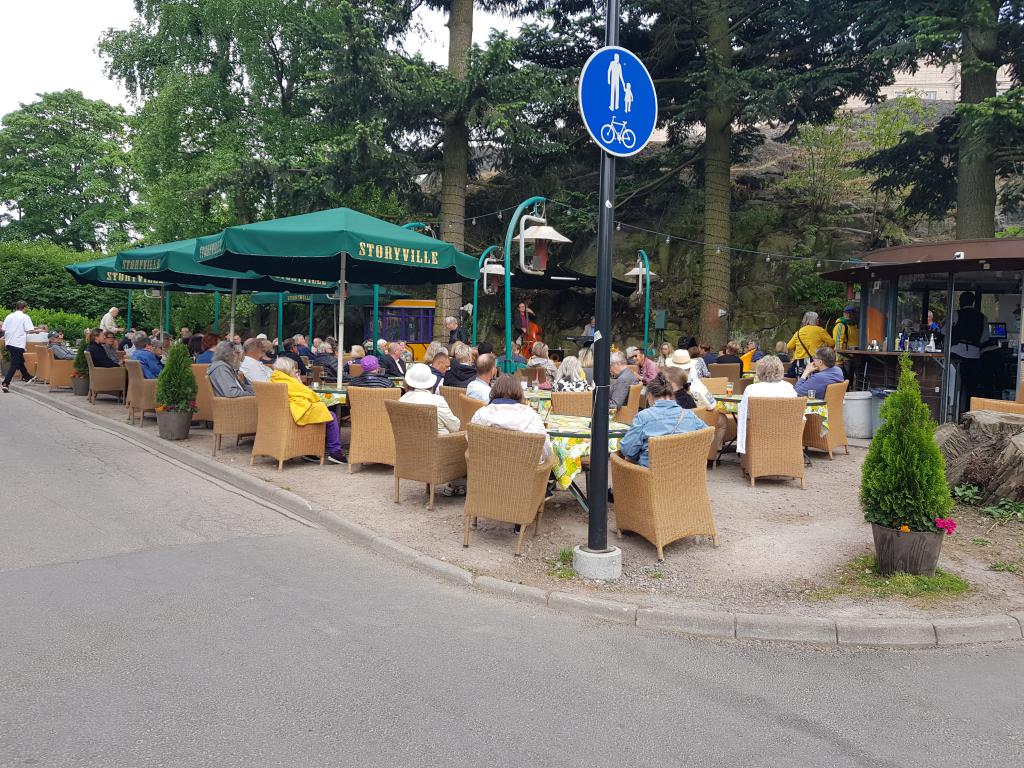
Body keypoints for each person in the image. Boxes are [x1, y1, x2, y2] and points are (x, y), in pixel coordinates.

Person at [620, 373, 708, 468]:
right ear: (672, 395)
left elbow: (627, 451)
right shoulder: (690, 415)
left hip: (650, 476)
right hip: (685, 473)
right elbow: (708, 437)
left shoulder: (643, 417)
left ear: (650, 395)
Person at [269, 357, 345, 464]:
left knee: (322, 414)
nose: (295, 370)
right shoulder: (290, 382)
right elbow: (312, 396)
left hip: (283, 415)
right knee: (330, 415)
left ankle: (310, 450)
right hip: (295, 414)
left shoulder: (274, 379)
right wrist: (299, 382)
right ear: (288, 369)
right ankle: (335, 452)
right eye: (293, 368)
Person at [470, 374, 552, 463]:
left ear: (494, 391)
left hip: (486, 470)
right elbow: (546, 450)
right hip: (525, 473)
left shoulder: (480, 414)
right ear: (520, 392)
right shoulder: (532, 417)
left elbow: (470, 441)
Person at [736, 355, 797, 455]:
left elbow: (745, 414)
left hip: (758, 432)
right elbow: (796, 414)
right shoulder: (789, 388)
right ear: (780, 370)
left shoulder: (751, 389)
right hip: (784, 432)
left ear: (760, 370)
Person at [950, 291, 988, 409]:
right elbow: (985, 338)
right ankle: (968, 411)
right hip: (974, 355)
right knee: (971, 387)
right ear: (972, 302)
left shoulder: (956, 314)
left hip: (957, 352)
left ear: (961, 301)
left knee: (955, 385)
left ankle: (953, 409)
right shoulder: (982, 317)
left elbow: (944, 331)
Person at [400, 363, 462, 435]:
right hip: (440, 444)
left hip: (408, 444)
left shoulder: (402, 400)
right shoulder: (437, 402)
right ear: (431, 383)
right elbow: (455, 427)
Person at [1, 300, 45, 390]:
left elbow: (3, 329)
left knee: (20, 361)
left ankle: (27, 376)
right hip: (18, 343)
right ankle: (6, 383)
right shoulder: (25, 317)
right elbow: (30, 330)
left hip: (9, 342)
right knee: (14, 363)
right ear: (24, 307)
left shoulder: (9, 316)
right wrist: (39, 330)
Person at [786, 311, 834, 376]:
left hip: (800, 362)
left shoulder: (799, 331)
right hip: (815, 361)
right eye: (817, 318)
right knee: (814, 381)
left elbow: (789, 346)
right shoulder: (819, 330)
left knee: (801, 381)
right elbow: (832, 343)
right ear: (814, 320)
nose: (818, 320)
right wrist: (823, 346)